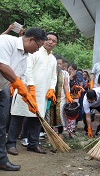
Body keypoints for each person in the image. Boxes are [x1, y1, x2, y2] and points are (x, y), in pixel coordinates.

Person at [0, 28, 46, 171]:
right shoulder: (6, 41)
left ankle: (1, 159)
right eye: (38, 46)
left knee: (1, 126)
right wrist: (19, 86)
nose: (38, 50)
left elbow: (21, 78)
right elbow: (2, 65)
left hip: (2, 89)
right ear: (31, 39)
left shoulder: (26, 57)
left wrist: (28, 99)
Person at [7, 32, 58, 155]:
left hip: (42, 93)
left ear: (56, 44)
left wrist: (51, 88)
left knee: (37, 119)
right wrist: (30, 86)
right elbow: (27, 69)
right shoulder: (34, 53)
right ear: (43, 40)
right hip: (26, 89)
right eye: (48, 39)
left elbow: (54, 76)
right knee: (18, 116)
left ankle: (33, 144)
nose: (50, 42)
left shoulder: (53, 59)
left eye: (54, 41)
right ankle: (11, 144)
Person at [49, 55, 73, 138]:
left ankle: (60, 132)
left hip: (61, 96)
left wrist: (68, 96)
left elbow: (66, 86)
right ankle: (50, 131)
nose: (59, 65)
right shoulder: (50, 72)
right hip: (50, 95)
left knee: (60, 114)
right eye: (57, 63)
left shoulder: (65, 73)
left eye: (60, 64)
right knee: (50, 113)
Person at [67, 63, 83, 138]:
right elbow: (66, 84)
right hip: (69, 97)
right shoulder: (66, 76)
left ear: (75, 70)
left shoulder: (77, 77)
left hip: (76, 97)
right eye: (69, 69)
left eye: (71, 69)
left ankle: (72, 130)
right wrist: (70, 76)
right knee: (68, 114)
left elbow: (80, 85)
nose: (70, 70)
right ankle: (68, 130)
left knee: (74, 114)